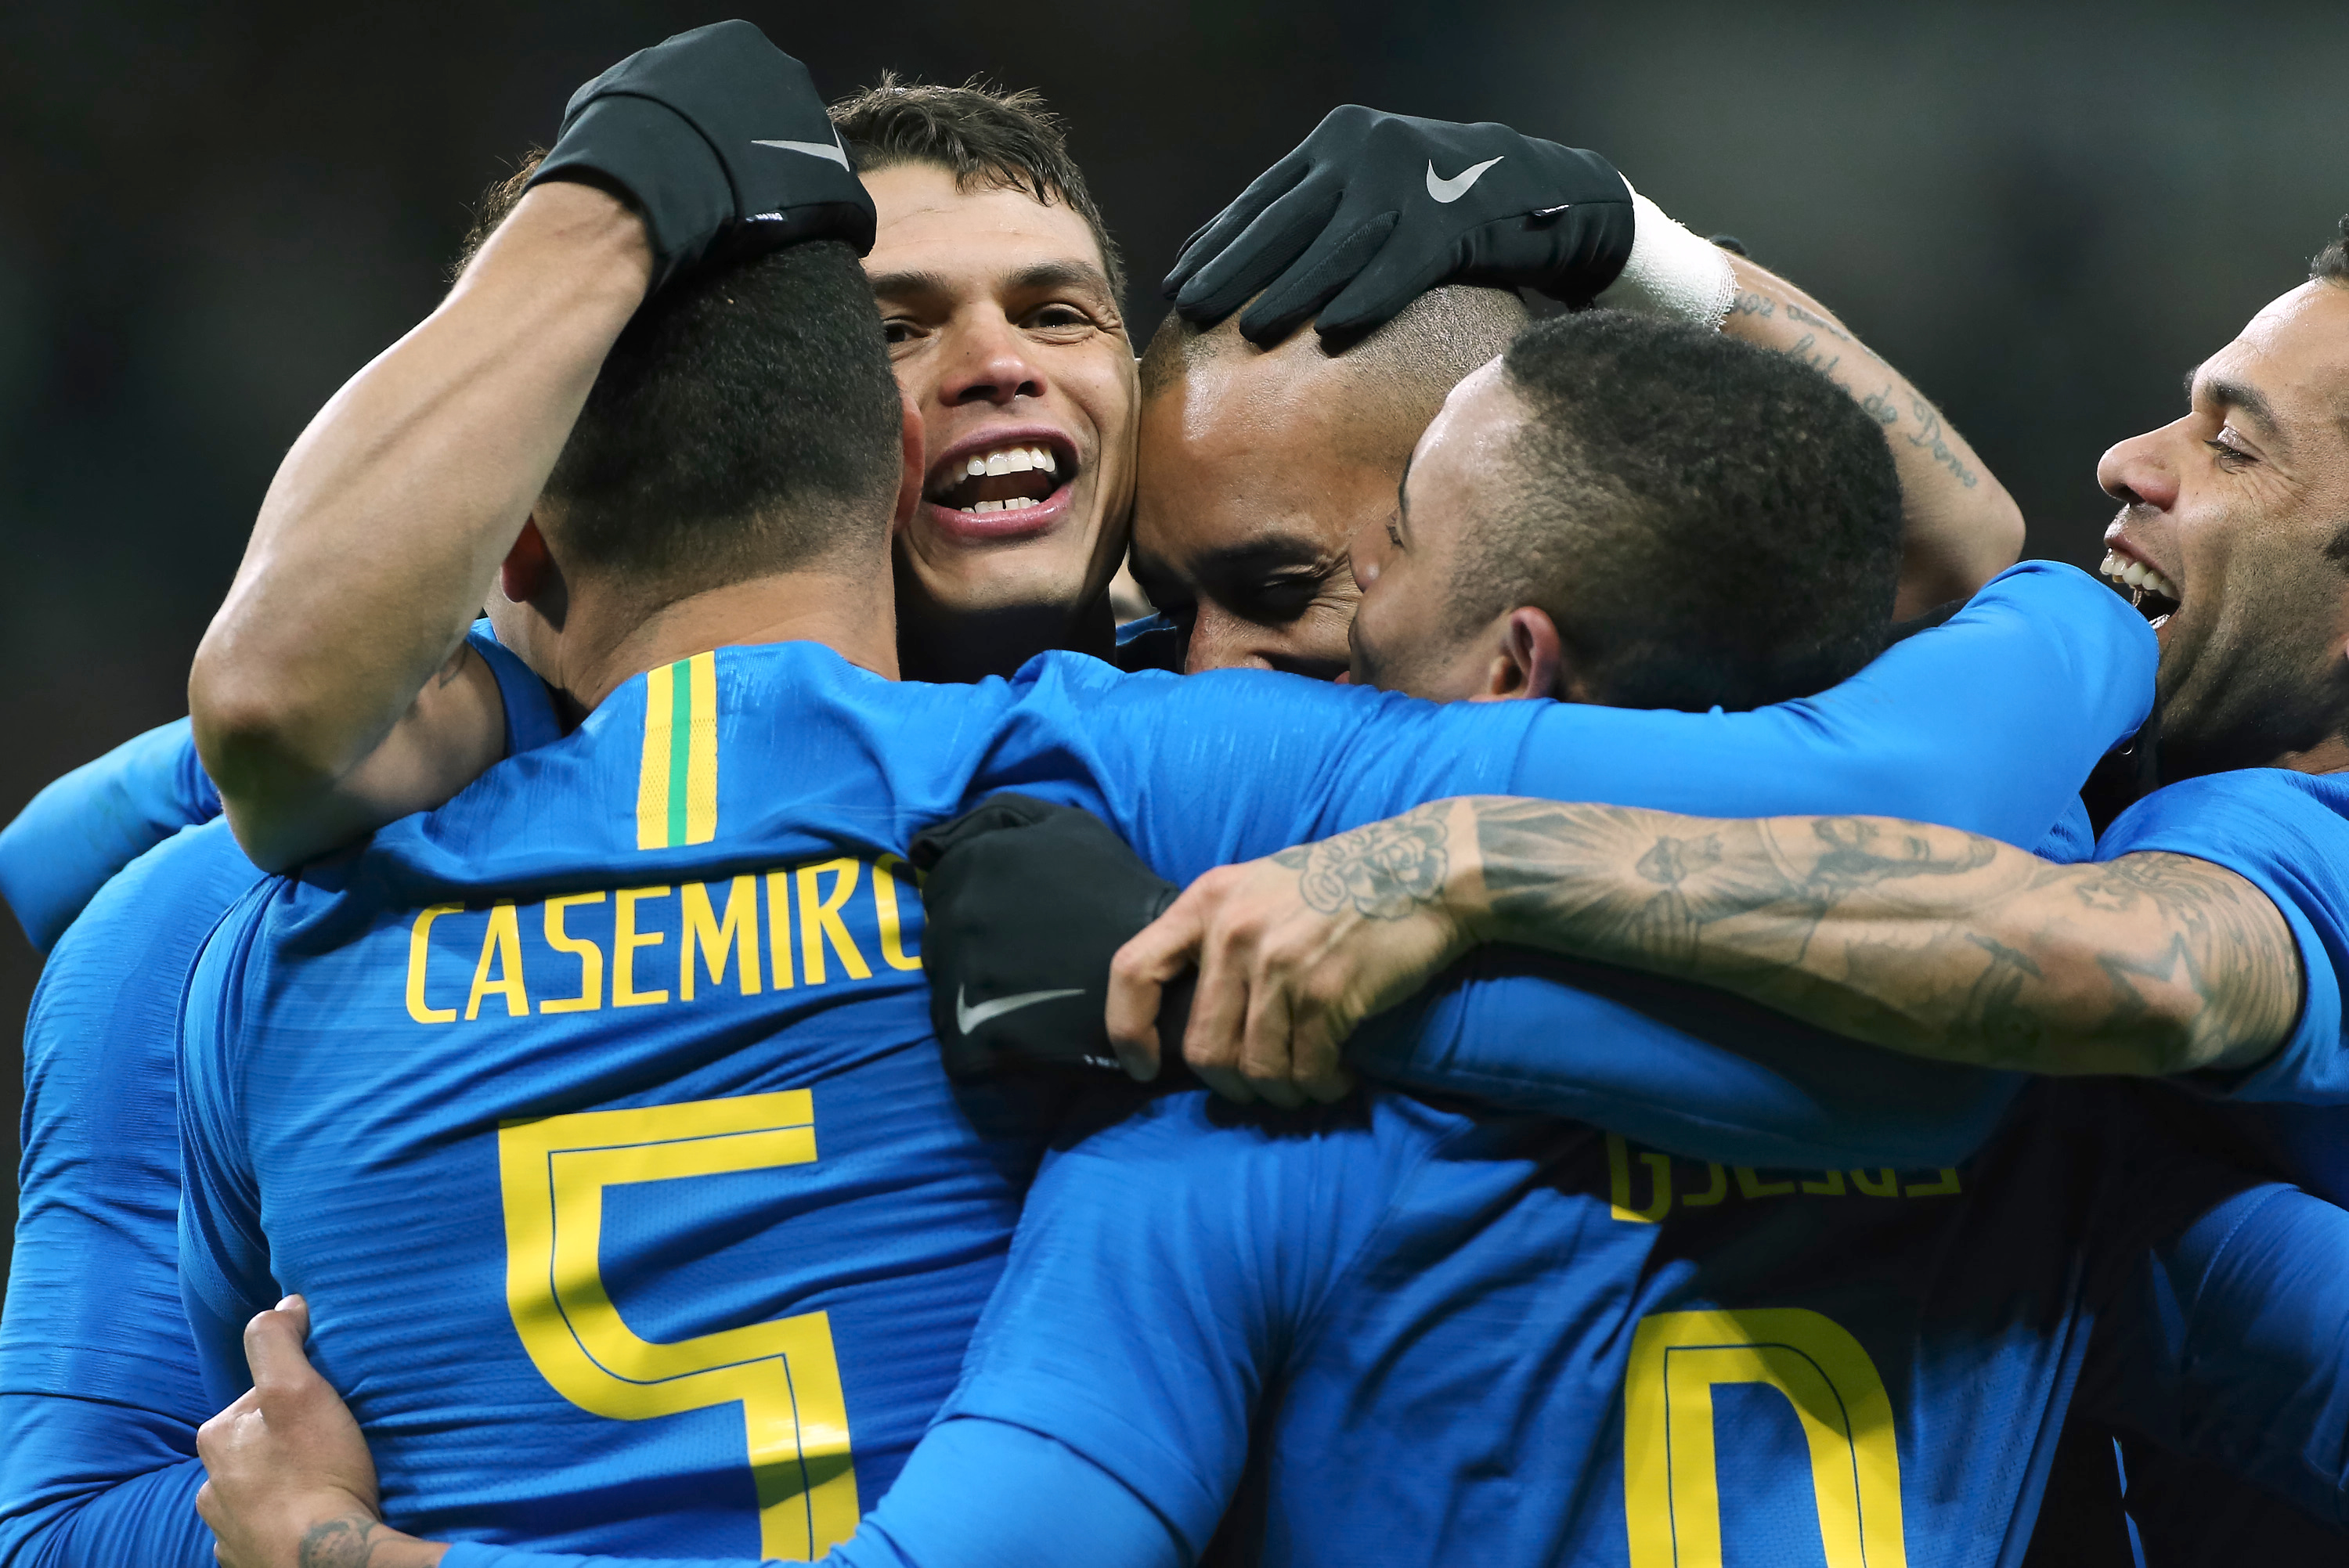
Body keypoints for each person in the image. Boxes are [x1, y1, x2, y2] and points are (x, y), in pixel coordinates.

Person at [162, 23, 2163, 1565]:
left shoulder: (270, 919)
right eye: (894, 333)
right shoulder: (1157, 777)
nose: (990, 370)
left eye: (1050, 311)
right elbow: (1994, 672)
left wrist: (1312, 946)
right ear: (841, 437)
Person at [1131, 106, 2025, 676]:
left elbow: (1960, 552)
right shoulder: (1098, 706)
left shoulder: (1662, 717)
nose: (1207, 668)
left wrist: (1633, 243)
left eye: (1282, 588)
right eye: (1174, 609)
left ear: (1474, 487)